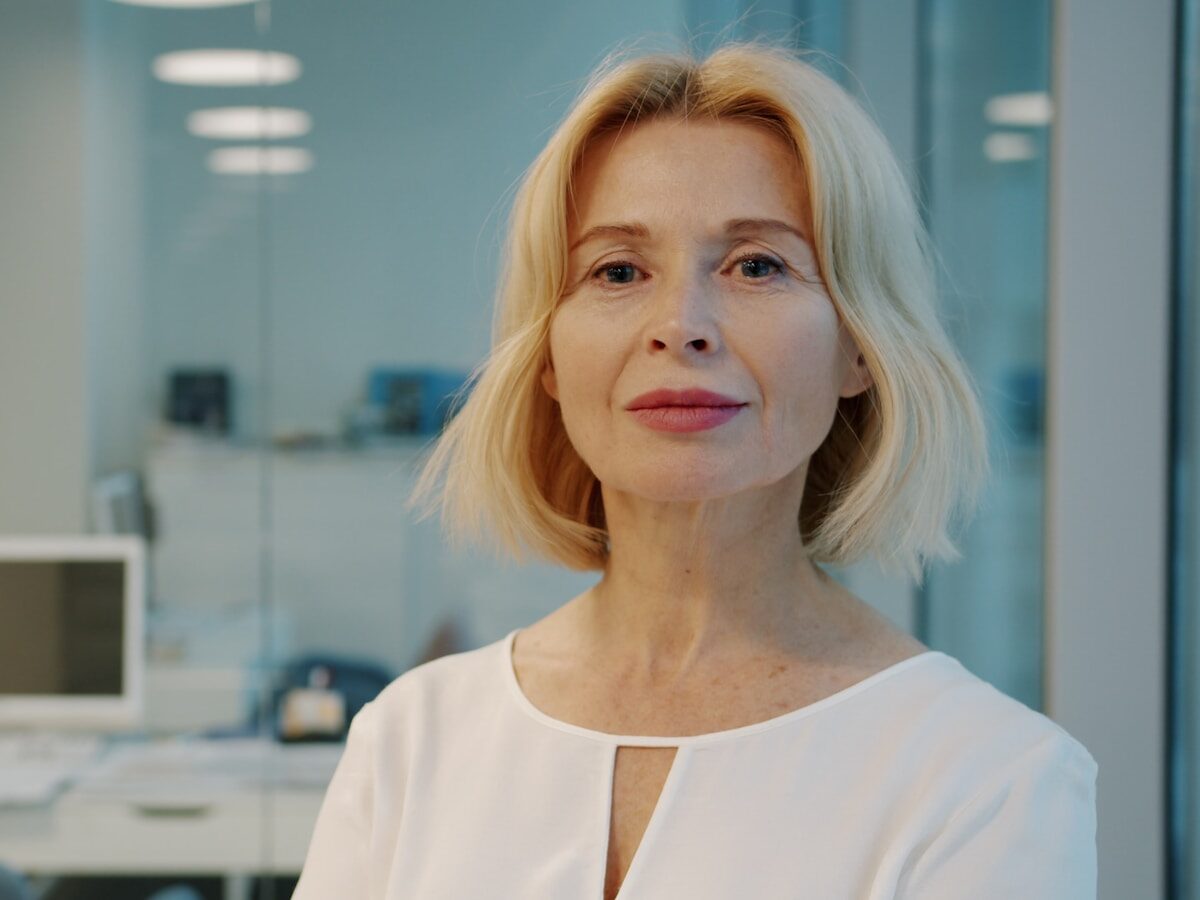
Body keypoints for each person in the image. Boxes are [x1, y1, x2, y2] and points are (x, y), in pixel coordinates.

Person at [292, 38, 1097, 899]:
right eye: (618, 270)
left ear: (859, 348)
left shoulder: (986, 778)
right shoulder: (411, 742)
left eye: (757, 265)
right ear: (551, 359)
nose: (681, 326)